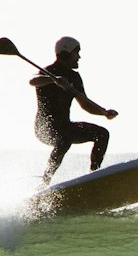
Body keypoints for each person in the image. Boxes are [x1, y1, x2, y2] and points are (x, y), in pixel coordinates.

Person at [31, 36, 119, 183]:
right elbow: (33, 80)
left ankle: (93, 177)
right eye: (76, 53)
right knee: (64, 141)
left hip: (65, 126)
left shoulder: (74, 77)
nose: (79, 57)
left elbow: (85, 104)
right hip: (44, 128)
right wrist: (54, 80)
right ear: (66, 53)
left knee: (102, 134)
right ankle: (45, 181)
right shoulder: (48, 71)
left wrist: (104, 112)